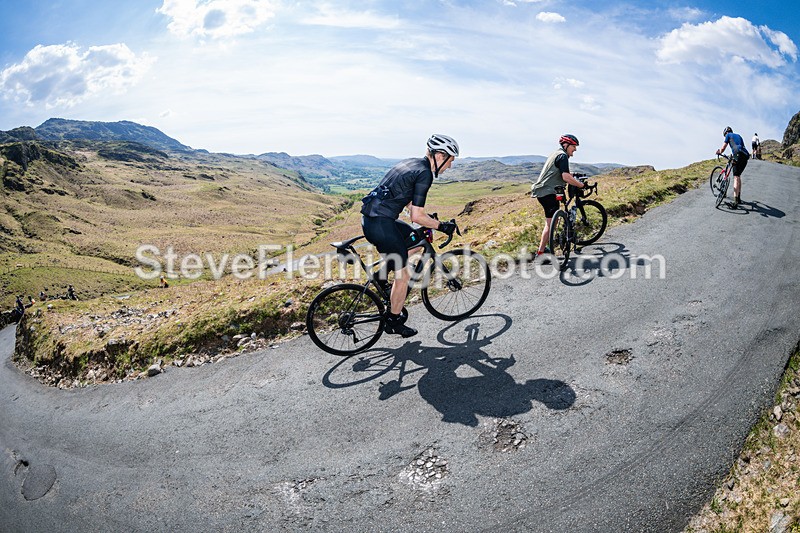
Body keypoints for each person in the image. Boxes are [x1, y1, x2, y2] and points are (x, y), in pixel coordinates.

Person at [360, 134, 460, 337]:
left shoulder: (412, 163)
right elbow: (416, 215)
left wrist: (425, 218)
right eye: (450, 161)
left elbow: (406, 200)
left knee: (414, 239)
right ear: (440, 156)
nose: (450, 166)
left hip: (373, 219)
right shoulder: (425, 174)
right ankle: (393, 321)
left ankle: (381, 276)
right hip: (381, 224)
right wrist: (441, 226)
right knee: (403, 275)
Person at [530, 134, 587, 261]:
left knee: (552, 222)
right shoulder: (562, 156)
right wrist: (580, 185)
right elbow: (565, 177)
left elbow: (560, 172)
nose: (575, 150)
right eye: (574, 147)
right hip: (548, 193)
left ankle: (544, 249)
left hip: (546, 191)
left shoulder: (557, 154)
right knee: (550, 224)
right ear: (566, 145)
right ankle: (541, 253)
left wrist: (574, 175)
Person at [717, 126, 750, 208]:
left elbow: (723, 147)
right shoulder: (739, 136)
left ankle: (735, 202)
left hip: (737, 153)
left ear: (726, 133)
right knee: (738, 176)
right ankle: (738, 198)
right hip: (745, 156)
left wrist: (719, 152)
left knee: (735, 177)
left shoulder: (728, 135)